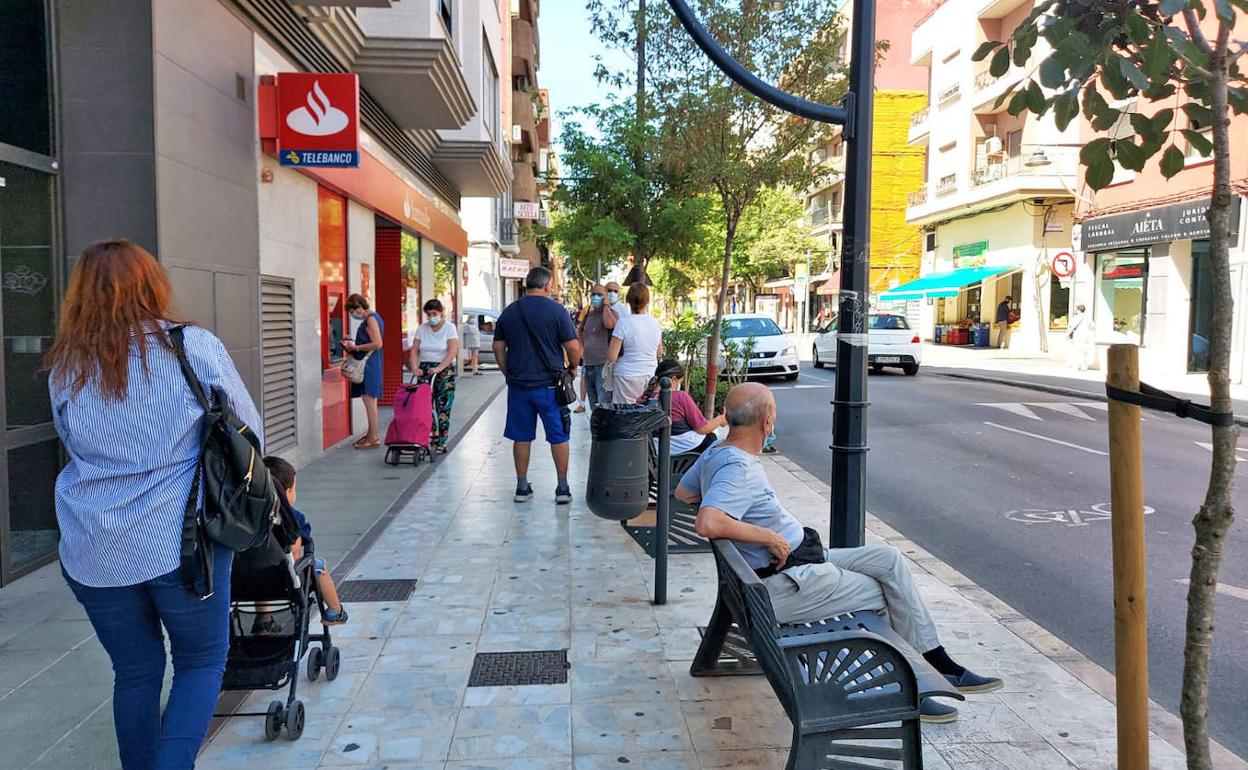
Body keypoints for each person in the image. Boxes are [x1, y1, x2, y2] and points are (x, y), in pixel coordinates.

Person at [47, 239, 264, 769]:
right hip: (180, 542)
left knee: (136, 673)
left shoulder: (65, 365)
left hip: (93, 545)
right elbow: (248, 430)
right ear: (151, 285)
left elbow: (71, 442)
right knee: (201, 661)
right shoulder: (191, 346)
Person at [675, 383, 1003, 724]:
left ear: (726, 417)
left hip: (797, 561)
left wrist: (743, 521)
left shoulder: (717, 452)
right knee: (888, 592)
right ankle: (913, 688)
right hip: (783, 584)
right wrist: (765, 536)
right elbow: (708, 521)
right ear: (768, 421)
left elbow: (684, 493)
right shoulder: (738, 468)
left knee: (887, 559)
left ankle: (938, 662)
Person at [493, 266, 584, 504]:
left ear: (527, 285)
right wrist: (573, 369)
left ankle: (522, 487)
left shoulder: (510, 312)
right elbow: (573, 347)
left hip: (519, 387)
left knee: (521, 437)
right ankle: (562, 488)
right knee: (558, 435)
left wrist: (507, 371)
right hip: (551, 388)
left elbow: (498, 347)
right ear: (547, 285)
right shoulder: (557, 311)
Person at [261, 456, 348, 627]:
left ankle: (264, 619)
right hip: (286, 578)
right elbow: (295, 551)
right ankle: (335, 611)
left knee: (259, 566)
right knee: (319, 566)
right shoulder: (293, 519)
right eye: (294, 489)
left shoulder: (246, 520)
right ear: (286, 493)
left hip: (248, 581)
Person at [639, 359, 726, 455]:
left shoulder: (643, 399)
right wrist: (721, 419)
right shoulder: (680, 397)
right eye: (679, 382)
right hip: (686, 449)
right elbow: (702, 428)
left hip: (656, 451)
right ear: (673, 379)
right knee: (714, 441)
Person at [410, 299, 460, 454]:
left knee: (443, 406)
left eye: (435, 313)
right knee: (425, 405)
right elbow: (414, 350)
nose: (432, 317)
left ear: (441, 313)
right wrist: (415, 368)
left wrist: (439, 368)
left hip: (443, 370)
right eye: (429, 314)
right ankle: (432, 433)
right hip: (425, 369)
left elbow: (452, 351)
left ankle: (443, 441)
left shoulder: (449, 329)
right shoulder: (422, 329)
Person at [607, 283, 663, 404]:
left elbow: (612, 356)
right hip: (650, 374)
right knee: (645, 414)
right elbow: (659, 352)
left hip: (626, 377)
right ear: (647, 301)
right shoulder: (655, 323)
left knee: (625, 416)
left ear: (628, 300)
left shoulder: (623, 323)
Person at [343, 294, 384, 449]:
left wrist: (356, 347)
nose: (353, 315)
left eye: (353, 311)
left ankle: (373, 437)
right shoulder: (373, 318)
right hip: (370, 363)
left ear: (360, 308)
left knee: (369, 400)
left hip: (369, 365)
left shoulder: (371, 319)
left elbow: (377, 343)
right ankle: (371, 434)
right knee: (369, 400)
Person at [578, 284, 611, 411]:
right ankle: (596, 428)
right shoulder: (588, 315)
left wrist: (606, 306)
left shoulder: (610, 314)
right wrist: (582, 347)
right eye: (593, 294)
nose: (596, 297)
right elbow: (581, 331)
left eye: (599, 294)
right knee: (593, 402)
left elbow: (609, 324)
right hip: (589, 363)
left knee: (603, 401)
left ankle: (604, 429)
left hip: (602, 364)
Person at [1066, 304, 1094, 371]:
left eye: (1076, 309)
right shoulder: (1088, 318)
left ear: (1079, 310)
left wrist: (1067, 334)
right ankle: (1084, 366)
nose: (1075, 311)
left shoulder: (1076, 318)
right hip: (1086, 336)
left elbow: (1071, 327)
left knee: (1077, 351)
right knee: (1084, 351)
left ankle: (1077, 365)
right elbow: (1092, 326)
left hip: (1078, 336)